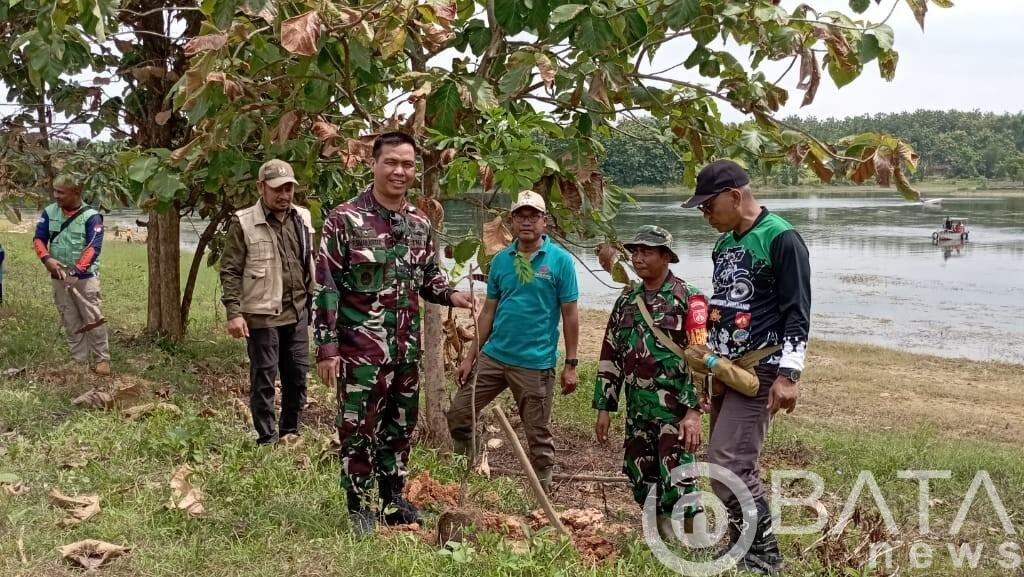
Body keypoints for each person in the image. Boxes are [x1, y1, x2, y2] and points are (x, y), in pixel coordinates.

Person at [313, 132, 475, 535]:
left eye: (407, 164)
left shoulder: (419, 224)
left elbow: (429, 278)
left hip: (405, 352)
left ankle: (392, 499)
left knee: (399, 428)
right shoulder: (344, 219)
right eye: (392, 162)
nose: (400, 171)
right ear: (374, 163)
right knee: (357, 430)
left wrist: (454, 295)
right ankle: (360, 506)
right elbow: (326, 286)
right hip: (359, 352)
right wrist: (327, 348)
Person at [681, 159, 811, 575]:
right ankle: (743, 542)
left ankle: (764, 556)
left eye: (708, 206)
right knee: (728, 467)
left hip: (763, 371)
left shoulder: (781, 238)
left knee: (729, 463)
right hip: (726, 370)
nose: (705, 214)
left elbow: (797, 312)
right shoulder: (724, 245)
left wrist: (789, 375)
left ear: (735, 197)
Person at [447, 190, 580, 494]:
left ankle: (542, 492)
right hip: (494, 356)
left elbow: (570, 315)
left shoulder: (560, 262)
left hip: (535, 362)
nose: (527, 222)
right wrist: (469, 358)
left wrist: (571, 364)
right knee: (459, 413)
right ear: (512, 221)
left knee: (538, 433)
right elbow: (488, 313)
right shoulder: (502, 262)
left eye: (534, 216)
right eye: (521, 215)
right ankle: (464, 474)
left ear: (544, 222)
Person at [593, 226, 707, 544]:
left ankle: (696, 546)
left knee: (680, 478)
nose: (639, 258)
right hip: (638, 410)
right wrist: (605, 405)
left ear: (667, 257)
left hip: (675, 412)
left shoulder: (690, 299)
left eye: (648, 252)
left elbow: (703, 362)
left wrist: (693, 412)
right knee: (641, 475)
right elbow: (610, 352)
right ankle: (660, 541)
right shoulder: (627, 300)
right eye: (636, 252)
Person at [220, 159, 316, 446]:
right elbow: (231, 270)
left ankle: (290, 432)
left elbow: (310, 262)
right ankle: (267, 438)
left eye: (289, 188)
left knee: (297, 376)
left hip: (298, 310)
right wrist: (234, 313)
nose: (284, 195)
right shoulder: (244, 222)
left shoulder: (303, 218)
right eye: (277, 189)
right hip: (262, 314)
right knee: (264, 377)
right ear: (261, 188)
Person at [33, 174, 111, 375]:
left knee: (93, 318)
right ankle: (79, 360)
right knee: (70, 319)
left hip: (85, 278)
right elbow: (39, 239)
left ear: (76, 193)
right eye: (55, 191)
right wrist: (47, 259)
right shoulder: (50, 212)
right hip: (58, 275)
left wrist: (77, 271)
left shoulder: (92, 216)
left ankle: (102, 359)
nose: (56, 196)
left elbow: (93, 247)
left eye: (61, 192)